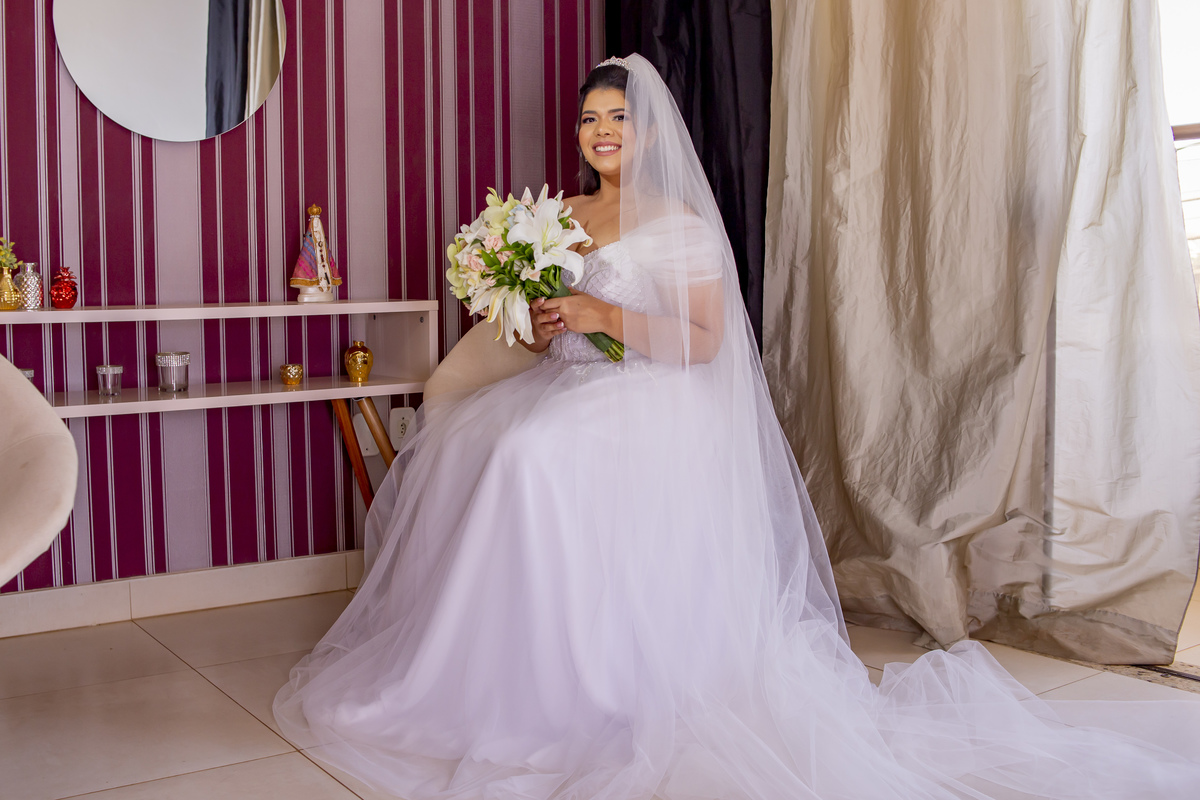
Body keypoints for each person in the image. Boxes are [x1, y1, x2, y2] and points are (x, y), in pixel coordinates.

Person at [275, 55, 1200, 799]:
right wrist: (549, 321)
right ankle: (502, 679)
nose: (601, 131)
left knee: (531, 455)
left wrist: (601, 316)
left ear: (648, 132)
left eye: (618, 117)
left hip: (651, 393)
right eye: (590, 119)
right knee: (499, 443)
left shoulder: (677, 219)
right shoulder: (560, 215)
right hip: (571, 381)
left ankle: (588, 688)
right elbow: (539, 325)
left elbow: (705, 340)